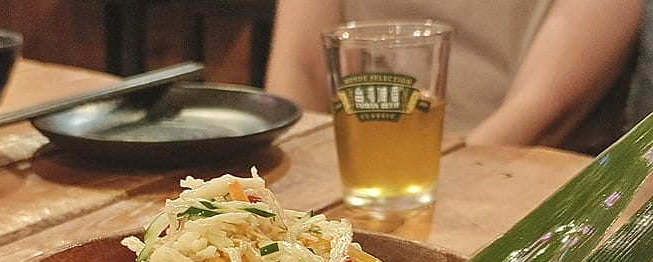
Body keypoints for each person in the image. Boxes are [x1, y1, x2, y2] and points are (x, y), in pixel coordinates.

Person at [265, 0, 643, 154]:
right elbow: (301, 71)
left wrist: (427, 188)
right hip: (356, 163)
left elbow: (546, 112)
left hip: (511, 177)